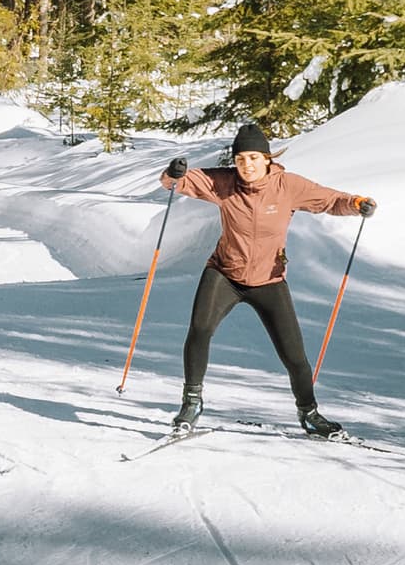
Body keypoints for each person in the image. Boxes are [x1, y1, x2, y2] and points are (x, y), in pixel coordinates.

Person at [157, 120, 375, 438]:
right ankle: (191, 403)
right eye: (241, 159)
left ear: (268, 158)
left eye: (254, 158)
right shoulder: (224, 183)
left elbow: (329, 200)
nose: (247, 165)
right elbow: (178, 183)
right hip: (224, 274)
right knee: (200, 331)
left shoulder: (288, 186)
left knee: (294, 355)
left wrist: (356, 204)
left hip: (269, 280)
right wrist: (173, 173)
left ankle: (310, 414)